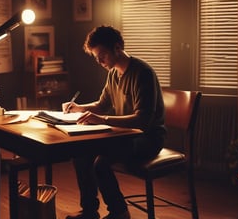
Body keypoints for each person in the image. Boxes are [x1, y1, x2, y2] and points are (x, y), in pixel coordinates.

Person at [62, 25, 166, 219]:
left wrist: (101, 119)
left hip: (148, 138)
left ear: (117, 48)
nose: (100, 61)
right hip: (123, 136)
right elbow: (102, 105)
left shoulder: (142, 73)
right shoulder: (113, 74)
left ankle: (119, 213)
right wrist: (78, 108)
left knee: (101, 163)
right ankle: (90, 211)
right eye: (96, 57)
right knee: (81, 153)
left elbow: (143, 121)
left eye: (102, 55)